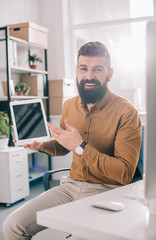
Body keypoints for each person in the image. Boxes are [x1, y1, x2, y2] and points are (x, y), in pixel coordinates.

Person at [3, 41, 142, 239]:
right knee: (13, 225)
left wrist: (81, 147)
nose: (89, 76)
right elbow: (64, 146)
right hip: (70, 187)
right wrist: (42, 146)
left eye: (97, 69)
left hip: (106, 191)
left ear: (110, 74)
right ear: (77, 71)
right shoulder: (69, 105)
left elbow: (124, 174)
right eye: (84, 68)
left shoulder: (126, 112)